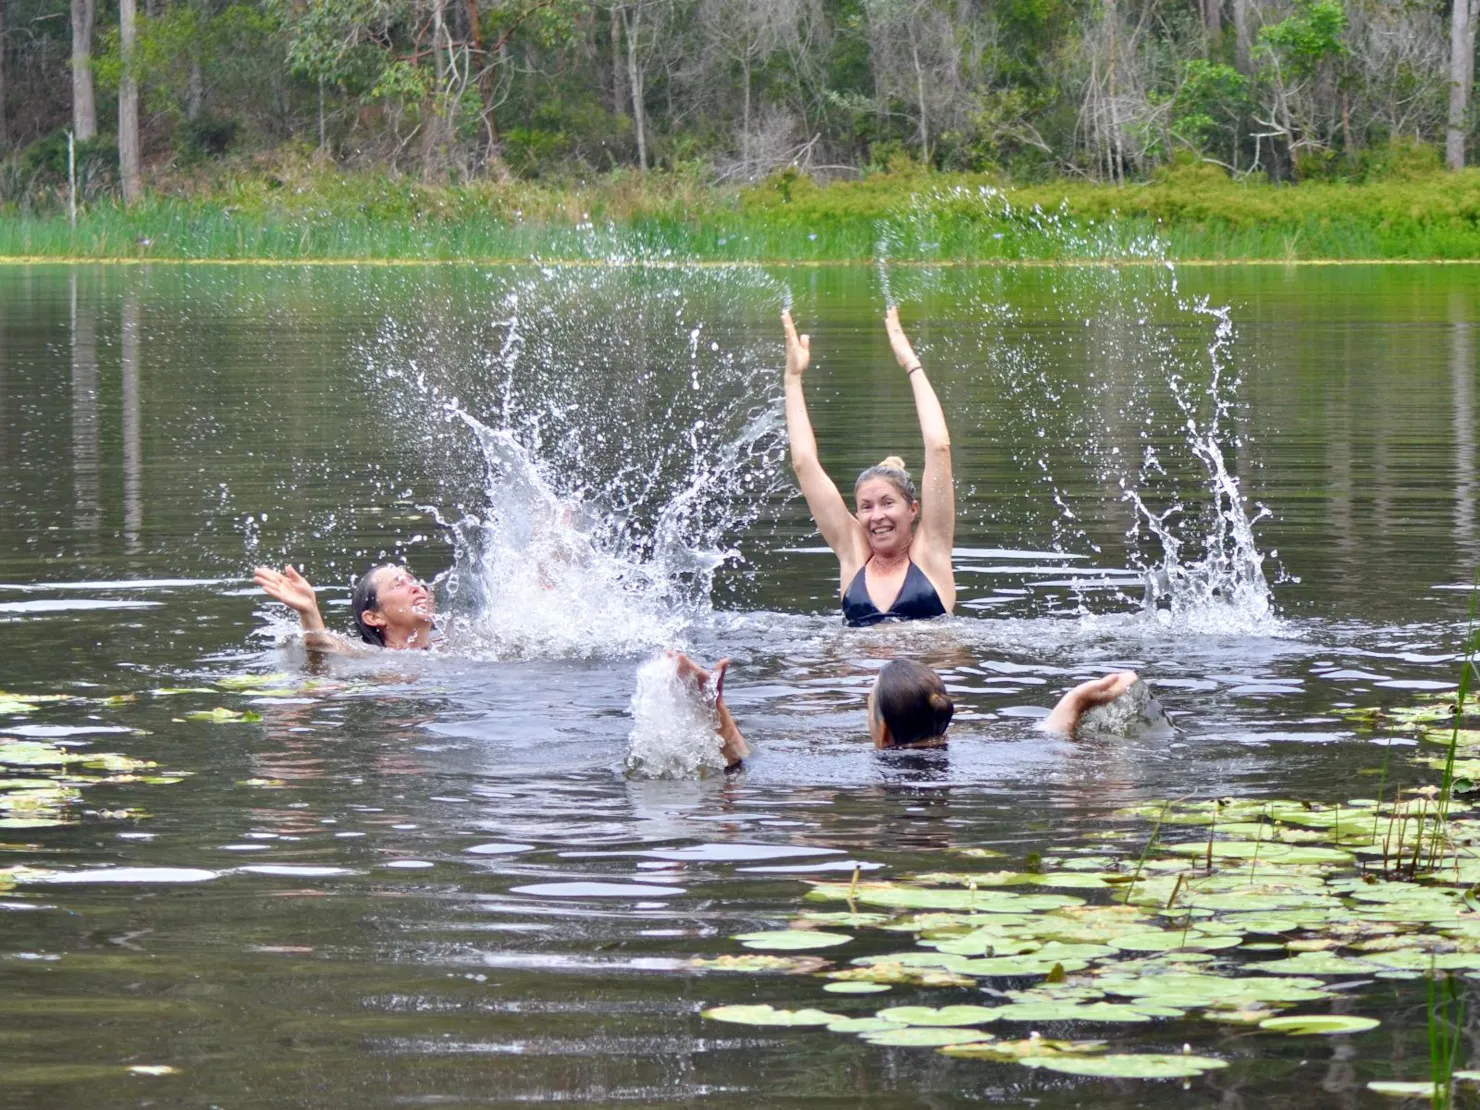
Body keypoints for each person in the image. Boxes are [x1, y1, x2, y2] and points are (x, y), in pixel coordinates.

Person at [782, 306, 955, 626]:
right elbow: (804, 464)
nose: (876, 516)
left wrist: (910, 363)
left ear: (913, 509)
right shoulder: (853, 554)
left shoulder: (932, 552)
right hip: (860, 677)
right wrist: (793, 379)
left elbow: (939, 446)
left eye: (888, 503)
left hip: (923, 676)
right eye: (866, 507)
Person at [671, 653, 1140, 767]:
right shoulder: (977, 755)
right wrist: (1078, 697)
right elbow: (1051, 736)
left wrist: (714, 706)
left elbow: (746, 764)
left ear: (884, 731)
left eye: (867, 707)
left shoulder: (865, 769)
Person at [253, 563, 436, 652]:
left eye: (413, 581)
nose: (416, 587)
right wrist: (309, 611)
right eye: (398, 585)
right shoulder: (366, 656)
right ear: (374, 617)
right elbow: (321, 645)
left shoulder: (452, 647)